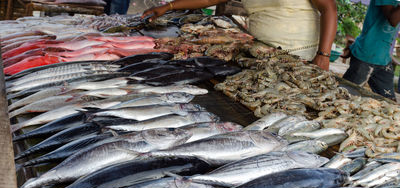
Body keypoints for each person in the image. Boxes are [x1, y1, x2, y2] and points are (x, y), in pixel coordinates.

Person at [142, 0, 337, 71]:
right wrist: (168, 7)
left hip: (300, 54)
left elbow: (329, 9)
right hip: (261, 50)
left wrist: (324, 55)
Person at [343, 0, 400, 100]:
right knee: (344, 97)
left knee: (388, 102)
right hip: (366, 57)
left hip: (384, 59)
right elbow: (393, 20)